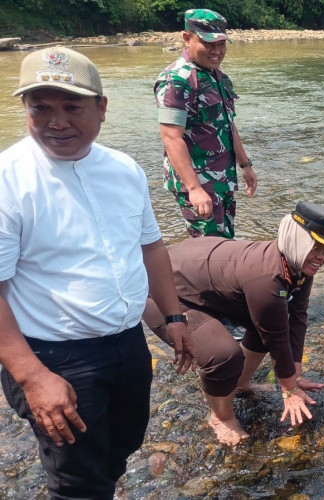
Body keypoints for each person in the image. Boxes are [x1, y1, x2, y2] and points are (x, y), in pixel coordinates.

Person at [0, 47, 195, 500]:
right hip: (54, 355)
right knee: (77, 480)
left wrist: (174, 316)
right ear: (25, 110)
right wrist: (32, 377)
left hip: (127, 342)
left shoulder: (123, 170)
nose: (57, 121)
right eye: (40, 108)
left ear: (102, 109)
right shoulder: (9, 180)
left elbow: (150, 246)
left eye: (72, 106)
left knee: (120, 449)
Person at [143, 201, 324, 445]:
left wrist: (296, 375)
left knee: (266, 326)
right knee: (223, 355)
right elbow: (277, 337)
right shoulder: (267, 277)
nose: (323, 258)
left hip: (203, 286)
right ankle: (221, 417)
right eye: (317, 248)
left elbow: (297, 318)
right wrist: (289, 389)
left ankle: (240, 385)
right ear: (298, 242)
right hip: (162, 294)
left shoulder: (297, 265)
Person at [154, 8, 257, 238]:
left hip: (222, 179)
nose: (217, 51)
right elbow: (171, 137)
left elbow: (228, 124)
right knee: (207, 252)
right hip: (198, 181)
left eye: (221, 43)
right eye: (208, 43)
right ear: (186, 38)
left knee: (225, 245)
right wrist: (194, 189)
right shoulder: (177, 79)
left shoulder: (217, 76)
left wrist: (245, 165)